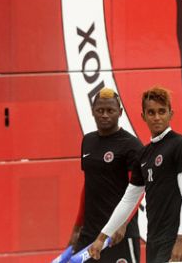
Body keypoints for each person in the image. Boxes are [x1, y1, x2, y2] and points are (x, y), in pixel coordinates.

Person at [89, 86, 182, 263]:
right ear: (143, 116)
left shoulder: (181, 146)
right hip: (154, 237)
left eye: (162, 111)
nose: (157, 117)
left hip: (175, 237)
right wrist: (102, 238)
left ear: (170, 114)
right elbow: (129, 200)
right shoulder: (144, 155)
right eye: (151, 112)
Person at [66, 87, 143, 262]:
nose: (105, 115)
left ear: (120, 112)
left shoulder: (132, 146)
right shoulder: (88, 141)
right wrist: (77, 228)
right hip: (89, 234)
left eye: (110, 110)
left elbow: (138, 191)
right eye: (100, 110)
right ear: (93, 112)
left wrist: (123, 223)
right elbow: (88, 186)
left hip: (118, 235)